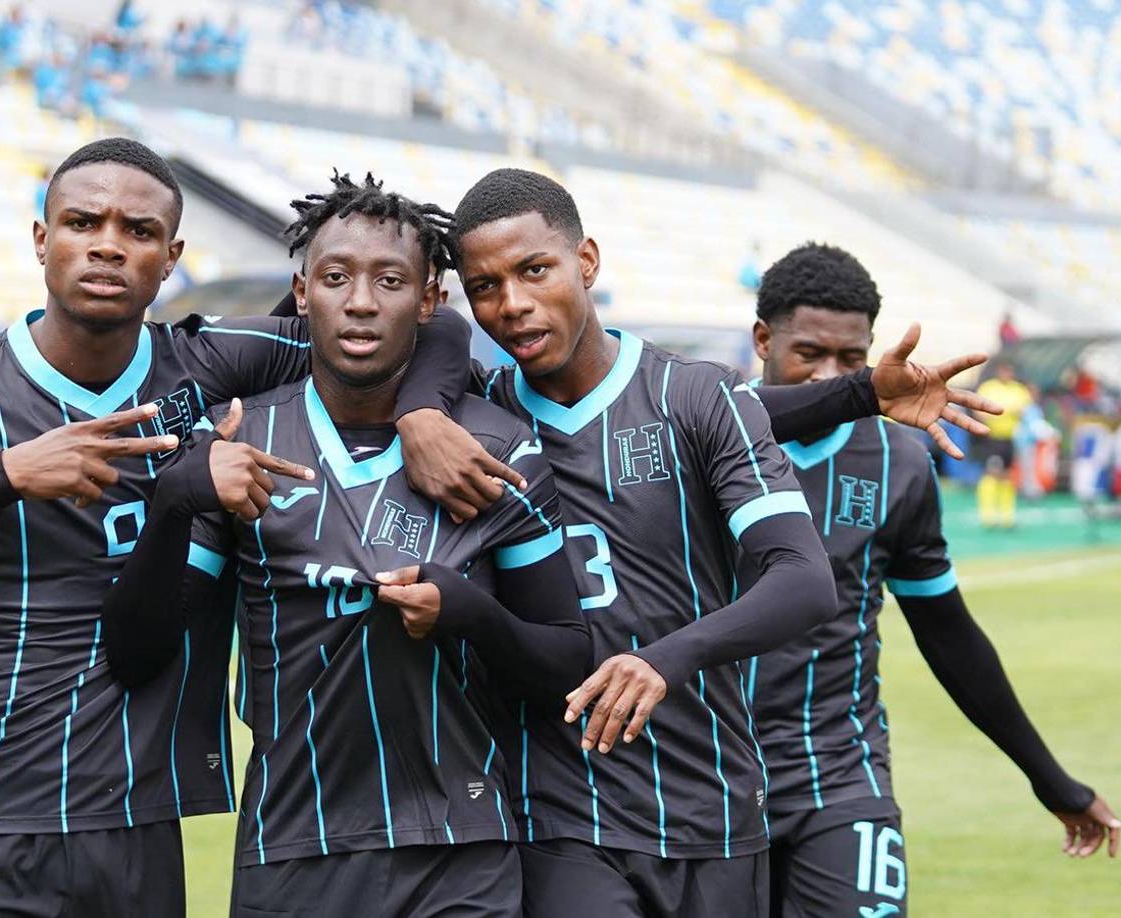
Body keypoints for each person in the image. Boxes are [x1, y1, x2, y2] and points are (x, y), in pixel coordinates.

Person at [0, 140, 498, 917]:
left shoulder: (205, 363)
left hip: (140, 821)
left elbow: (416, 323)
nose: (108, 244)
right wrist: (1, 477)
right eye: (83, 222)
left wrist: (420, 412)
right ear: (42, 239)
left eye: (139, 230)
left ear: (171, 258)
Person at [394, 168, 1001, 917]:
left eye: (535, 270)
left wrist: (665, 658)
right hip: (555, 813)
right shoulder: (473, 418)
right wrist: (419, 410)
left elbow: (804, 580)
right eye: (485, 287)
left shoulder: (696, 397)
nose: (512, 304)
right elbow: (362, 332)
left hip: (711, 808)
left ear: (587, 261)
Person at [100, 172, 592, 916]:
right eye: (335, 278)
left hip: (460, 858)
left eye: (390, 281)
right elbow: (136, 652)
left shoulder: (496, 449)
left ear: (428, 301)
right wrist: (175, 500)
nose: (361, 301)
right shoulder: (241, 440)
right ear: (303, 294)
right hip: (290, 854)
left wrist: (470, 614)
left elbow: (565, 666)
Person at [746, 242, 1118, 917]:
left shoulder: (899, 464)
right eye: (809, 354)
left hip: (838, 777)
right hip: (703, 782)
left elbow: (950, 637)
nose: (831, 376)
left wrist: (1049, 778)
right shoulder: (699, 432)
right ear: (763, 340)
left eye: (852, 361)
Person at [975, 360, 1031, 528]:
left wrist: (1004, 412)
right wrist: (1002, 413)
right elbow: (979, 411)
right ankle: (988, 515)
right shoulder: (988, 388)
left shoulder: (1019, 389)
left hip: (1010, 438)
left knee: (1007, 475)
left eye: (1009, 370)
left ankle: (1007, 516)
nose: (1006, 374)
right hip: (992, 437)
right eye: (1004, 370)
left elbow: (1023, 411)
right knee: (991, 473)